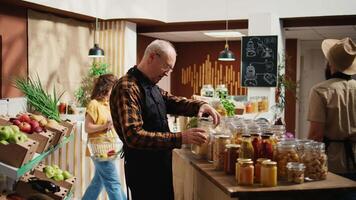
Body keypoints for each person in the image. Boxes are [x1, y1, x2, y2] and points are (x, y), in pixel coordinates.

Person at [110, 39, 220, 200]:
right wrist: (181, 137)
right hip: (143, 170)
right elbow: (134, 136)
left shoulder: (150, 85)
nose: (167, 73)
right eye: (166, 67)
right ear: (152, 57)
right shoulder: (127, 87)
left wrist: (200, 106)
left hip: (160, 165)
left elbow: (172, 101)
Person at [307, 37, 356, 180]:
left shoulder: (321, 90)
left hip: (332, 163)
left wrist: (306, 159)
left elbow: (316, 135)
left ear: (330, 64)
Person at [82, 74, 126, 200]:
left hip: (109, 148)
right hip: (99, 149)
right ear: (106, 87)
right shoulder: (94, 104)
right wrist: (105, 126)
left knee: (98, 183)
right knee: (114, 183)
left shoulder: (108, 104)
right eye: (114, 87)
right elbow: (87, 127)